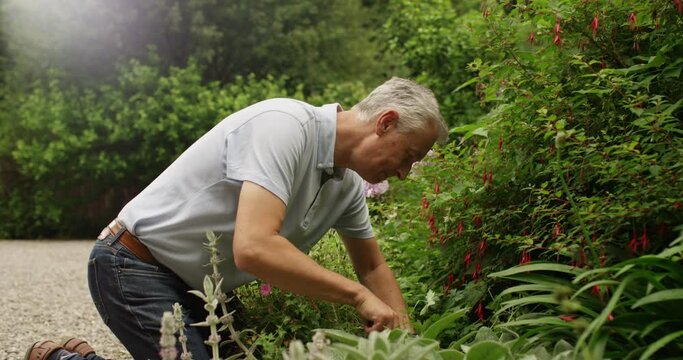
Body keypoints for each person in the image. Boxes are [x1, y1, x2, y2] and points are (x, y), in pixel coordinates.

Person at [25, 77, 448, 360]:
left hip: (205, 292)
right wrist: (357, 297)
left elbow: (372, 266)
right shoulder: (283, 126)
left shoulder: (348, 187)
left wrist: (410, 346)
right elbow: (253, 247)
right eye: (408, 156)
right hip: (134, 264)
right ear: (386, 122)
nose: (404, 173)